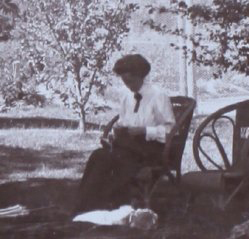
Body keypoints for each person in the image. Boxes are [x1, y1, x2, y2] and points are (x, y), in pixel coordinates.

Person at [73, 54, 175, 214]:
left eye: (131, 81)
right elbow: (123, 121)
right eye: (125, 82)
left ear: (141, 76)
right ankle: (83, 205)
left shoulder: (158, 96)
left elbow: (169, 131)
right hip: (129, 147)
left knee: (110, 159)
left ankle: (97, 206)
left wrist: (144, 130)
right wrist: (117, 131)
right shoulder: (127, 96)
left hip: (151, 149)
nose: (128, 86)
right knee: (98, 156)